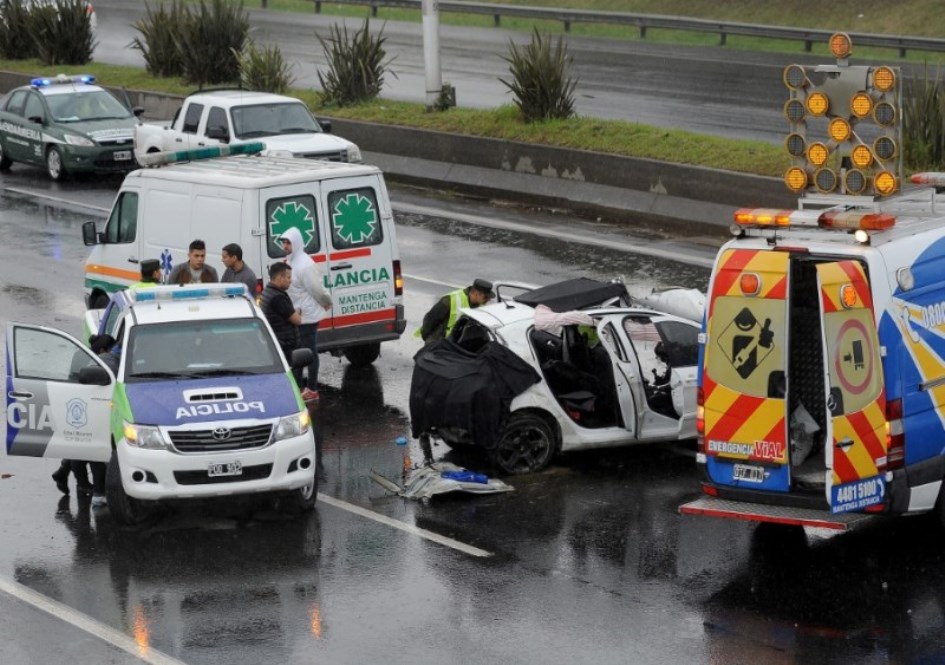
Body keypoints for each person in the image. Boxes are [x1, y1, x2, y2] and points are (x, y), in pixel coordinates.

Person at [281, 227, 332, 402]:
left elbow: (316, 288)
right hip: (297, 314)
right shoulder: (291, 261)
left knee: (309, 352)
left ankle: (311, 388)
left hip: (307, 316)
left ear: (296, 243)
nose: (285, 246)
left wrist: (326, 302)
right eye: (284, 242)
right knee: (298, 351)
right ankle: (299, 387)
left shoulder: (305, 264)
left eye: (288, 242)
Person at [418, 278, 494, 343]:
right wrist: (428, 339)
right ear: (476, 294)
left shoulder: (482, 305)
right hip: (441, 343)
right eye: (486, 297)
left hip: (460, 343)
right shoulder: (451, 300)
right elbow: (431, 319)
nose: (488, 300)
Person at [260, 262, 302, 367]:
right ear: (280, 277)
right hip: (283, 344)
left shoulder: (267, 291)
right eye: (288, 277)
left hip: (275, 342)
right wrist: (298, 311)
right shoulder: (278, 298)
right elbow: (297, 320)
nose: (290, 281)